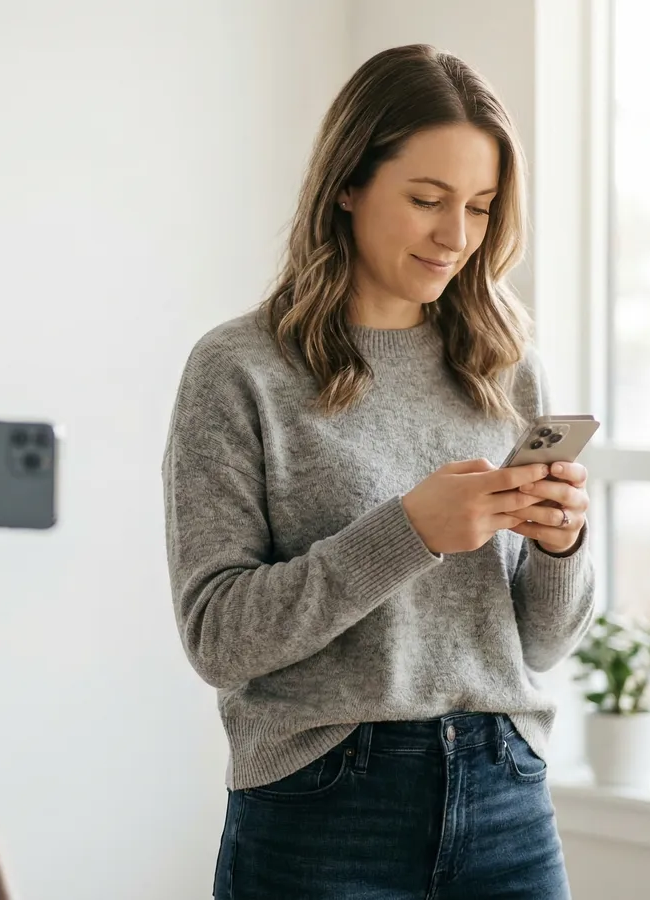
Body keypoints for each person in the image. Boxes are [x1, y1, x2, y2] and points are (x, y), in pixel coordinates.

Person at [161, 45, 595, 899]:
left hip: (505, 788)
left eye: (480, 206)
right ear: (348, 184)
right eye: (428, 200)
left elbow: (543, 643)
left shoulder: (507, 364)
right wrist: (409, 533)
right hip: (324, 806)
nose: (457, 237)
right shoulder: (240, 370)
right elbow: (218, 638)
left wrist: (562, 544)